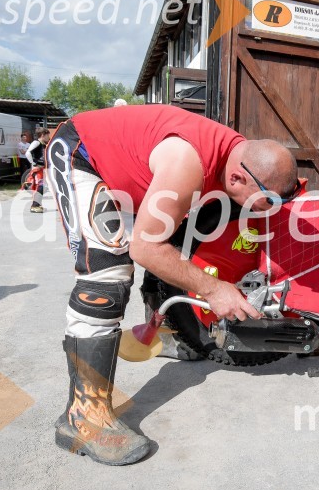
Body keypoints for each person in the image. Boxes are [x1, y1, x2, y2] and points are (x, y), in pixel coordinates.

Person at [46, 104, 299, 466]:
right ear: (239, 181)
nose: (269, 211)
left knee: (177, 236)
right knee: (107, 273)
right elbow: (146, 249)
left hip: (134, 169)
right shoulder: (189, 165)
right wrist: (215, 289)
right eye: (268, 201)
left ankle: (171, 331)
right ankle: (83, 417)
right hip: (82, 153)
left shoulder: (237, 158)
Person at [26, 129, 50, 213]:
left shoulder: (43, 144)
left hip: (42, 169)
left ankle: (37, 204)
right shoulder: (36, 143)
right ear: (43, 134)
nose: (49, 137)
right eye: (47, 135)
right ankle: (34, 206)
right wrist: (34, 163)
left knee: (43, 187)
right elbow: (28, 153)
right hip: (38, 169)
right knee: (40, 186)